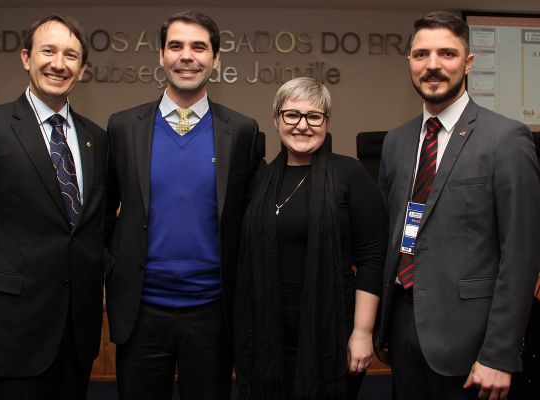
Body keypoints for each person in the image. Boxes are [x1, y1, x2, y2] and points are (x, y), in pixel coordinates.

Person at [0, 14, 108, 400]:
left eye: (71, 55)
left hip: (75, 341)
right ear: (26, 57)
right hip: (7, 340)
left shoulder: (95, 139)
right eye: (48, 51)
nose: (58, 64)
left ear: (82, 69)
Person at [376, 11, 540, 400]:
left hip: (471, 340)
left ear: (468, 63)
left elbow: (521, 256)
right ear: (410, 61)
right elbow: (394, 235)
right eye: (421, 54)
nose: (432, 65)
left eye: (447, 54)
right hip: (402, 326)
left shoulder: (506, 140)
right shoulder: (396, 142)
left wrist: (499, 354)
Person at [105, 10, 263, 400]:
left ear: (216, 58)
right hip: (141, 311)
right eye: (175, 46)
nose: (186, 56)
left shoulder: (242, 131)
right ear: (161, 56)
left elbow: (249, 219)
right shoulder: (122, 127)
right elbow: (102, 214)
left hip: (212, 312)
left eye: (199, 47)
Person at [234, 77, 387, 399]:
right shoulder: (258, 181)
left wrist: (362, 332)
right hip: (266, 339)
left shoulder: (350, 175)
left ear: (326, 123)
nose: (302, 125)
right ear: (276, 119)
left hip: (332, 337)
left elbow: (372, 258)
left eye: (314, 116)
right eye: (292, 114)